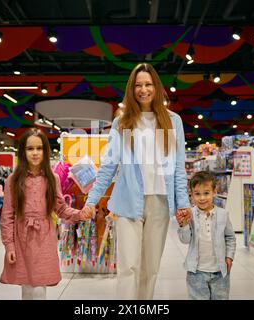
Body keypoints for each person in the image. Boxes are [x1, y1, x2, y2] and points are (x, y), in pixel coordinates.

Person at [82, 63, 192, 299]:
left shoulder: (174, 122)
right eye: (138, 85)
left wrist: (183, 203)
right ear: (131, 89)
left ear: (157, 87)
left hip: (160, 204)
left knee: (151, 269)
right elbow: (109, 166)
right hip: (128, 203)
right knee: (129, 267)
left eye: (148, 84)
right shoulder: (122, 123)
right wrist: (91, 201)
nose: (143, 89)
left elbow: (179, 168)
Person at [0, 128, 93, 300]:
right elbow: (7, 216)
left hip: (44, 238)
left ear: (45, 151)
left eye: (39, 148)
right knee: (26, 286)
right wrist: (9, 246)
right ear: (23, 151)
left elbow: (61, 209)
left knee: (39, 288)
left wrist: (80, 214)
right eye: (30, 148)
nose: (35, 153)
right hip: (22, 238)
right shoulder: (12, 180)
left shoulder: (53, 178)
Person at [178, 171, 236, 300]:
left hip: (220, 272)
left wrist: (229, 257)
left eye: (206, 193)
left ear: (214, 192)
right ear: (191, 195)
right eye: (197, 194)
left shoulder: (223, 214)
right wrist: (184, 225)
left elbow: (230, 238)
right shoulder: (190, 214)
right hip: (196, 272)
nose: (202, 198)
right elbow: (185, 240)